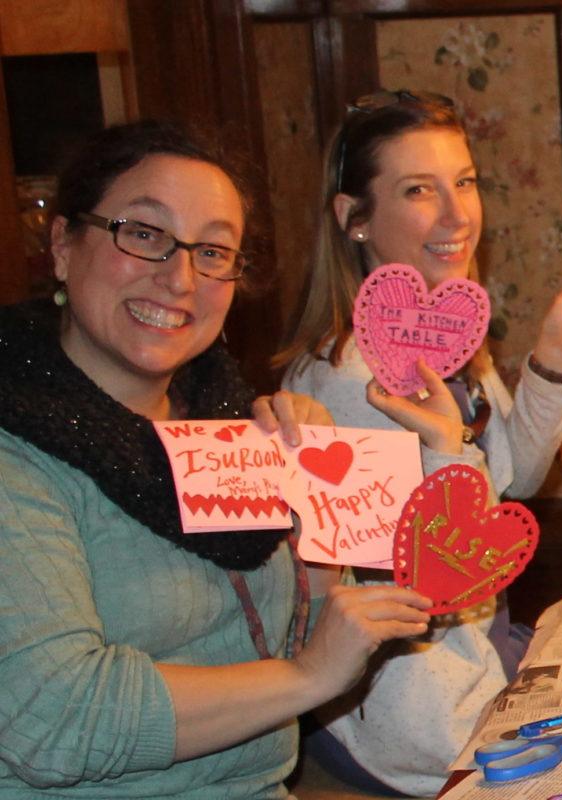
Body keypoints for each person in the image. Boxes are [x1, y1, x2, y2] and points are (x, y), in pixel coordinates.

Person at [0, 120, 436, 798]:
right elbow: (53, 716)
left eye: (212, 251)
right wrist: (307, 678)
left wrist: (317, 535)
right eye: (143, 234)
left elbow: (283, 647)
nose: (179, 278)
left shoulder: (223, 425)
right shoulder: (16, 451)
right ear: (62, 245)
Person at [277, 90, 562, 796]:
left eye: (466, 182)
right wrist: (453, 447)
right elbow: (445, 573)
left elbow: (513, 479)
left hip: (472, 660)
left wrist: (549, 358)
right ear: (353, 219)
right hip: (414, 712)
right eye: (419, 190)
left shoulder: (441, 329)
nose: (458, 215)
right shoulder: (352, 380)